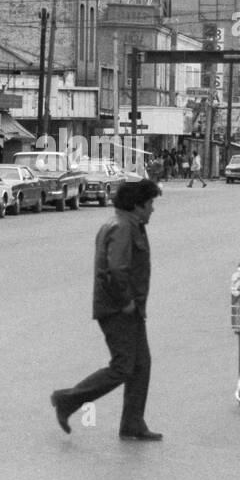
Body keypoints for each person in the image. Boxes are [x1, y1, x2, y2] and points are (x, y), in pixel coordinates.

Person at [50, 180, 165, 441]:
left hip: (128, 308)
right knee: (124, 366)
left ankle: (133, 423)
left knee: (141, 365)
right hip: (118, 309)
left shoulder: (127, 223)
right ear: (137, 205)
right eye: (150, 204)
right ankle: (67, 400)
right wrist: (125, 301)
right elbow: (115, 269)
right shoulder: (123, 227)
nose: (152, 210)